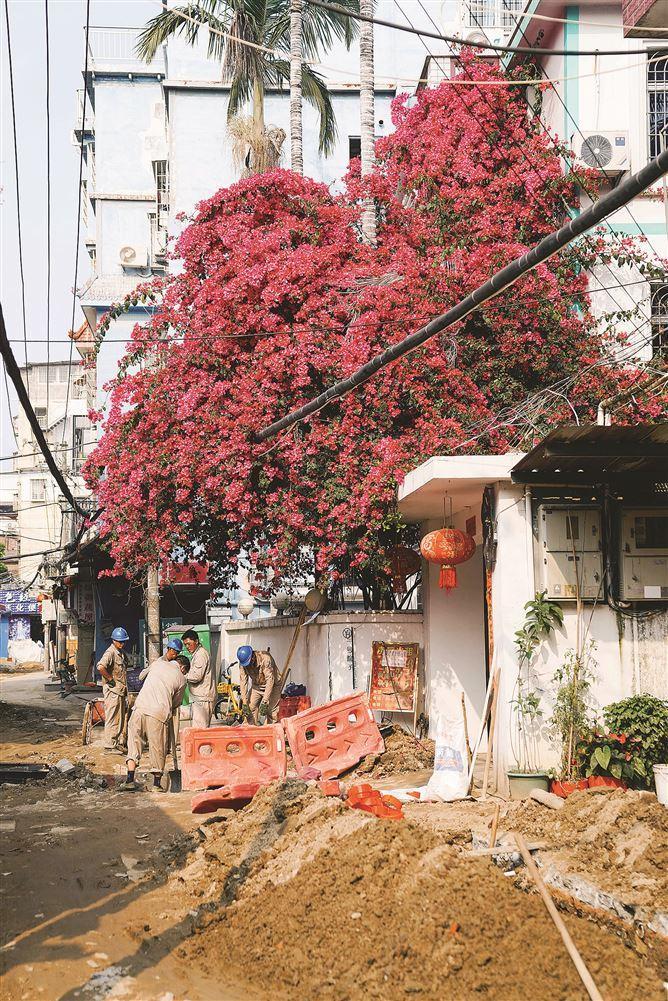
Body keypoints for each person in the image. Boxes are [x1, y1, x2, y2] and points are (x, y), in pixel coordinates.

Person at [119, 638, 187, 792]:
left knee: (134, 743)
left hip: (139, 708)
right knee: (158, 747)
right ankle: (156, 784)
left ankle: (129, 779)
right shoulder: (182, 678)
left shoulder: (157, 663)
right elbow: (176, 703)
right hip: (158, 712)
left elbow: (141, 676)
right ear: (182, 668)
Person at [97, 627, 130, 754]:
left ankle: (115, 743)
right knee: (112, 718)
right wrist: (110, 679)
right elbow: (100, 667)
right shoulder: (110, 652)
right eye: (120, 641)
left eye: (123, 641)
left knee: (119, 718)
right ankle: (109, 746)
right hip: (112, 691)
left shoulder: (120, 652)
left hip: (119, 690)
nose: (122, 644)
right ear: (114, 640)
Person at [237, 645, 281, 725]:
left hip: (273, 685)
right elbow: (243, 682)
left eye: (249, 663)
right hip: (257, 686)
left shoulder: (266, 659)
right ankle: (250, 730)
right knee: (250, 708)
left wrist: (264, 701)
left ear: (253, 656)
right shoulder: (243, 664)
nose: (247, 666)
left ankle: (269, 732)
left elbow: (270, 680)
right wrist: (244, 702)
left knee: (271, 711)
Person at [182, 629, 216, 729]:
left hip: (202, 698)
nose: (187, 647)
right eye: (185, 645)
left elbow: (196, 677)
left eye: (189, 644)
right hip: (200, 698)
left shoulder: (201, 654)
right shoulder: (198, 654)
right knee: (200, 731)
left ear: (196, 641)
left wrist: (183, 676)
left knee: (199, 732)